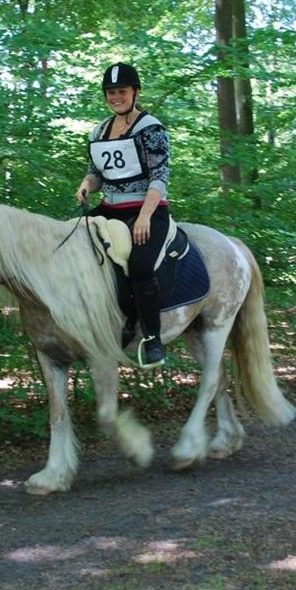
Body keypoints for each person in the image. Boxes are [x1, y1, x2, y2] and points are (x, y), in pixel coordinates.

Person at [75, 62, 171, 368]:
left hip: (147, 208)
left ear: (135, 92)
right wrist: (86, 185)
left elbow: (160, 176)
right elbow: (96, 174)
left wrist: (144, 216)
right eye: (111, 92)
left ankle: (152, 338)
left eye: (122, 91)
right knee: (73, 244)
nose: (116, 97)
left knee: (141, 266)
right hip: (110, 206)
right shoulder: (98, 131)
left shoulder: (150, 128)